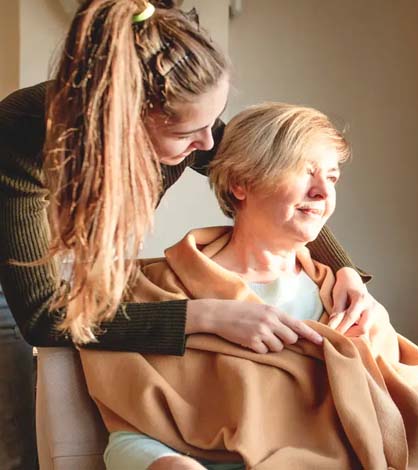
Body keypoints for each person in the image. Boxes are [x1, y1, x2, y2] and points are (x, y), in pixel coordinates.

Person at [0, 1, 375, 465]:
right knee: (17, 440)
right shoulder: (21, 135)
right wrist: (205, 316)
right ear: (126, 123)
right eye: (188, 135)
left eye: (210, 123)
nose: (209, 145)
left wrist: (345, 269)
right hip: (11, 281)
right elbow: (42, 318)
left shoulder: (182, 116)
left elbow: (258, 174)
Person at [80, 102, 418, 469]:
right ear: (241, 183)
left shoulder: (346, 301)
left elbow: (407, 428)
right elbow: (130, 432)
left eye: (331, 176)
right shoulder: (161, 289)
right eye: (303, 171)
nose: (323, 192)